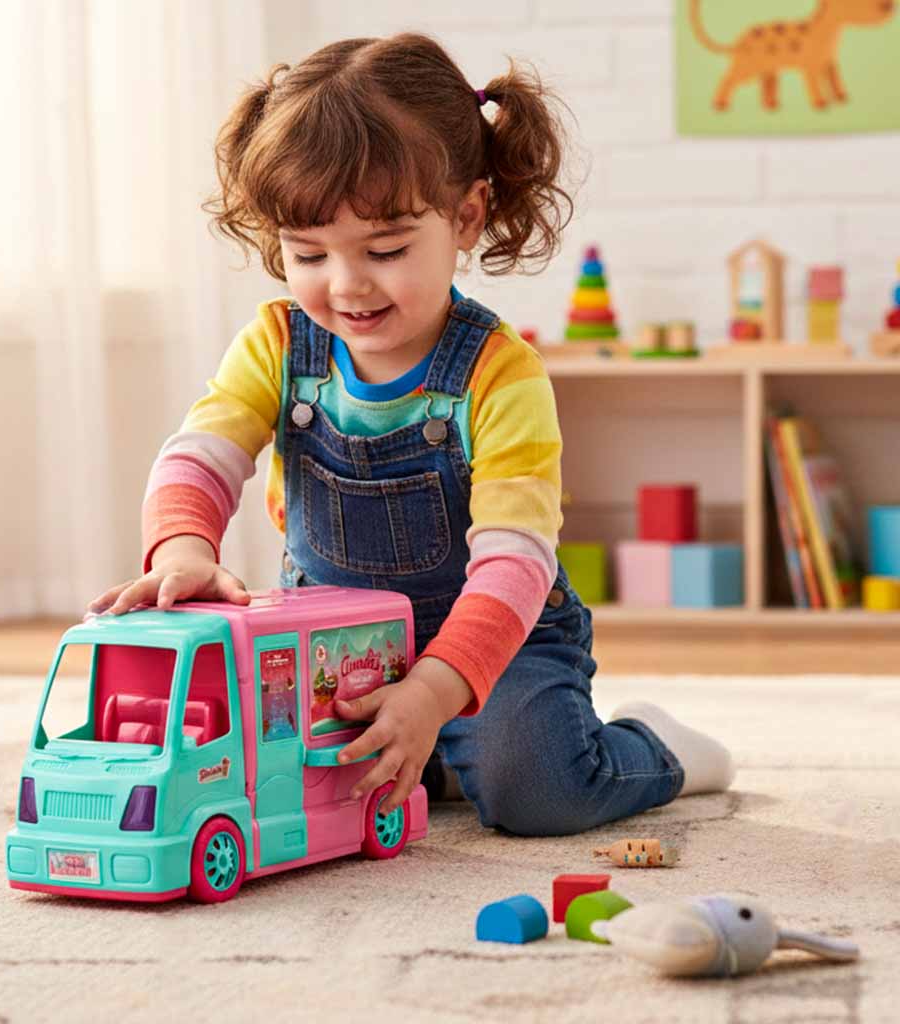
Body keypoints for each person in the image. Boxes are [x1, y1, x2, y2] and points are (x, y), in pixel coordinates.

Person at [88, 32, 734, 836]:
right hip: (335, 640)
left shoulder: (502, 374)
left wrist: (434, 690)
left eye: (386, 249)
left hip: (497, 634)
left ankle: (651, 749)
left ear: (467, 216)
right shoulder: (277, 346)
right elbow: (200, 455)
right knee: (268, 774)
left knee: (536, 791)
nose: (347, 284)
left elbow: (516, 563)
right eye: (308, 254)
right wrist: (183, 551)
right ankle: (442, 757)